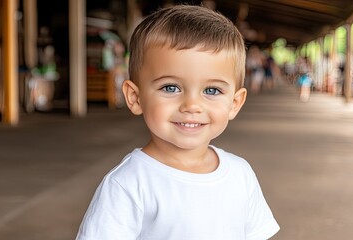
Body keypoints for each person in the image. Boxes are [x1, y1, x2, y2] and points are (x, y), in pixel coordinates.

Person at [76, 5, 279, 240]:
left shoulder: (240, 174)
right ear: (135, 97)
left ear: (235, 103)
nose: (192, 105)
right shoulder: (129, 184)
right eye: (170, 87)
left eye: (212, 90)